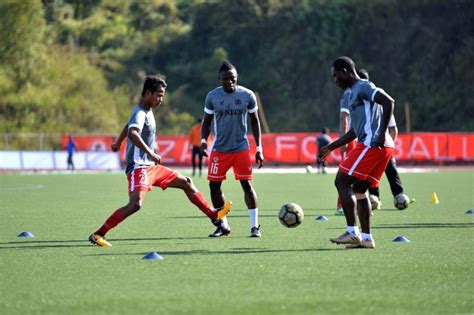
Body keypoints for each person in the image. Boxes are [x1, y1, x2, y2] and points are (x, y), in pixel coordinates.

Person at [89, 75, 232, 247]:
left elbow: (128, 127)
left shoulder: (146, 111)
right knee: (135, 204)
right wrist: (149, 152)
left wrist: (118, 143)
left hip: (151, 167)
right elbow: (133, 133)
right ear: (148, 93)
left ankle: (215, 217)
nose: (161, 100)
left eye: (162, 96)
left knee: (186, 182)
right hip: (138, 168)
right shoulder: (139, 112)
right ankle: (98, 234)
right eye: (159, 95)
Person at [318, 56, 395, 249]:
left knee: (341, 181)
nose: (335, 81)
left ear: (345, 71)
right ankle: (367, 238)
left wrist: (379, 133)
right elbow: (355, 130)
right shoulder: (352, 94)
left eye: (336, 76)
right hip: (378, 145)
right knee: (360, 190)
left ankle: (352, 232)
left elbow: (389, 102)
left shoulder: (363, 86)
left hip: (372, 144)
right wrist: (331, 147)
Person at [200, 61, 264, 238]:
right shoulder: (212, 96)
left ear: (237, 78)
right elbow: (206, 122)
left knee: (247, 185)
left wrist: (259, 148)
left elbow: (254, 121)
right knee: (214, 186)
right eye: (226, 79)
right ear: (219, 79)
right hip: (219, 149)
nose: (230, 82)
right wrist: (204, 140)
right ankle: (224, 225)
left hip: (241, 148)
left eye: (233, 79)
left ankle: (254, 226)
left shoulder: (247, 95)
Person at [356, 69, 408, 209]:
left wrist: (389, 145)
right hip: (371, 144)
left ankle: (399, 195)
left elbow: (393, 128)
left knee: (390, 170)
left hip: (382, 144)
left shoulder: (380, 101)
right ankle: (375, 199)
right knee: (370, 173)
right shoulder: (360, 102)